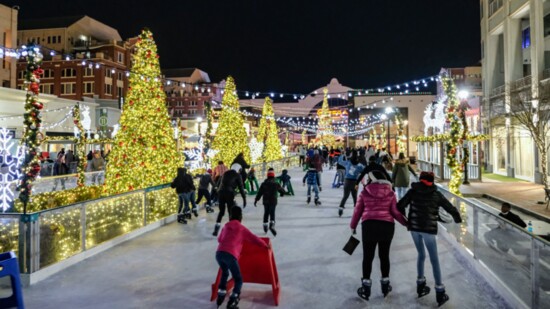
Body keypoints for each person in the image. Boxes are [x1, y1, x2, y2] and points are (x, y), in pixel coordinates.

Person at [397, 171, 462, 307]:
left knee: (421, 255)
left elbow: (400, 205)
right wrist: (457, 219)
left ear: (420, 180)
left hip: (414, 229)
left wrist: (408, 220)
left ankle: (420, 285)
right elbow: (450, 208)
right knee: (434, 259)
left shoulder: (412, 191)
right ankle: (439, 291)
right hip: (428, 230)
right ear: (432, 181)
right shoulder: (436, 194)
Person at [351, 171, 407, 301]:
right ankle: (385, 285)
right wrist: (406, 223)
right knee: (384, 255)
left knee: (368, 257)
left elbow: (357, 211)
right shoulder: (391, 193)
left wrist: (353, 226)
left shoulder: (364, 193)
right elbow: (395, 212)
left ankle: (366, 287)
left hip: (369, 227)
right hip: (386, 227)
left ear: (371, 180)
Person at [215, 206, 270, 309]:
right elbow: (254, 238)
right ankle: (233, 300)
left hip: (219, 254)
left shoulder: (226, 226)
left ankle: (221, 294)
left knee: (225, 273)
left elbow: (219, 239)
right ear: (240, 217)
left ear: (230, 216)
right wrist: (265, 245)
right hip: (230, 255)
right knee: (238, 279)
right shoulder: (242, 229)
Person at [213, 163, 247, 236]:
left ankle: (216, 228)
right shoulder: (237, 175)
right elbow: (241, 187)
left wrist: (217, 190)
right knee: (230, 212)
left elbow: (219, 182)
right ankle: (231, 230)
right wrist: (244, 198)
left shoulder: (225, 173)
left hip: (221, 193)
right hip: (229, 193)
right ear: (238, 169)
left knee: (221, 212)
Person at [254, 168, 285, 236]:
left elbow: (260, 193)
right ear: (273, 176)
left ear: (267, 176)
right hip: (273, 201)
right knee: (272, 213)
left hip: (266, 201)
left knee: (266, 213)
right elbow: (282, 191)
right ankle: (272, 225)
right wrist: (282, 193)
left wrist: (256, 200)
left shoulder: (264, 184)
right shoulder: (276, 183)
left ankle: (265, 227)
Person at [338, 151, 365, 217]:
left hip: (347, 181)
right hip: (355, 182)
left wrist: (342, 155)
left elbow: (340, 161)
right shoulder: (360, 165)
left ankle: (341, 208)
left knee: (345, 196)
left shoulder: (348, 163)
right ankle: (356, 211)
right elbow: (365, 170)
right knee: (355, 197)